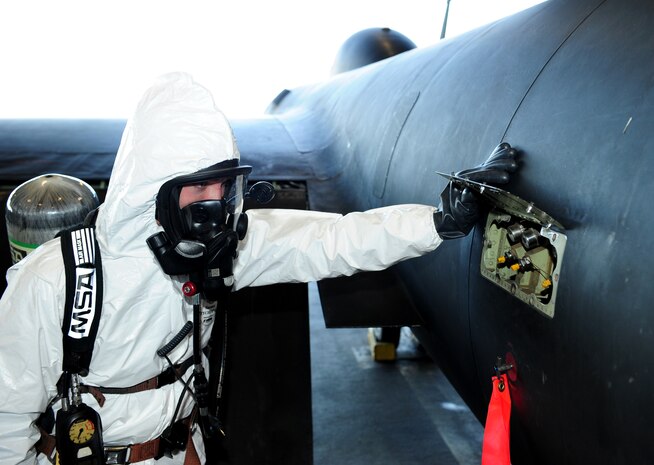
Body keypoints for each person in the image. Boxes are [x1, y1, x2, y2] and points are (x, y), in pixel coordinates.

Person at [0, 72, 517, 465]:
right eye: (200, 187)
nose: (217, 204)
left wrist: (439, 221)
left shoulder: (222, 251)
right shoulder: (52, 283)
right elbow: (5, 421)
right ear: (153, 190)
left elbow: (333, 239)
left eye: (224, 187)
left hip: (187, 451)